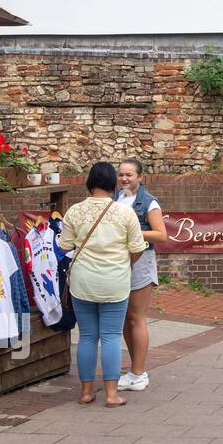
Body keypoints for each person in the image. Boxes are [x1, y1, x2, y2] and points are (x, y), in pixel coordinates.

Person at [57, 161, 146, 407]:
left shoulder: (74, 211)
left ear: (89, 182)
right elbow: (138, 248)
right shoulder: (125, 212)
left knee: (86, 336)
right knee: (111, 336)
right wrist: (125, 263)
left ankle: (86, 392)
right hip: (115, 281)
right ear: (113, 183)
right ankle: (111, 394)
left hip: (82, 281)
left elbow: (64, 246)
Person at [114, 158, 167, 393]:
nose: (124, 179)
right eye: (121, 174)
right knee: (125, 318)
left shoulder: (148, 202)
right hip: (121, 261)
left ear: (140, 177)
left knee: (137, 317)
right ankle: (135, 371)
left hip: (141, 262)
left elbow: (160, 234)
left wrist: (133, 233)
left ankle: (138, 372)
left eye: (129, 175)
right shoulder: (117, 199)